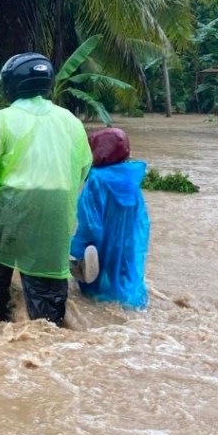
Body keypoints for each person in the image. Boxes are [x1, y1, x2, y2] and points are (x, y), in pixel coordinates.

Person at [0, 52, 92, 326]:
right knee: (47, 295)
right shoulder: (71, 121)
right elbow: (84, 167)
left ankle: (0, 323)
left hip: (12, 204)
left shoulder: (3, 119)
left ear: (11, 84)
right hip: (57, 207)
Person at [70, 127, 150, 309]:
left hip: (102, 242)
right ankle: (127, 304)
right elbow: (141, 220)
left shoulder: (96, 180)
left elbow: (90, 222)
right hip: (127, 241)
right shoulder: (131, 178)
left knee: (96, 288)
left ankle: (99, 305)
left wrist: (79, 248)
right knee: (121, 274)